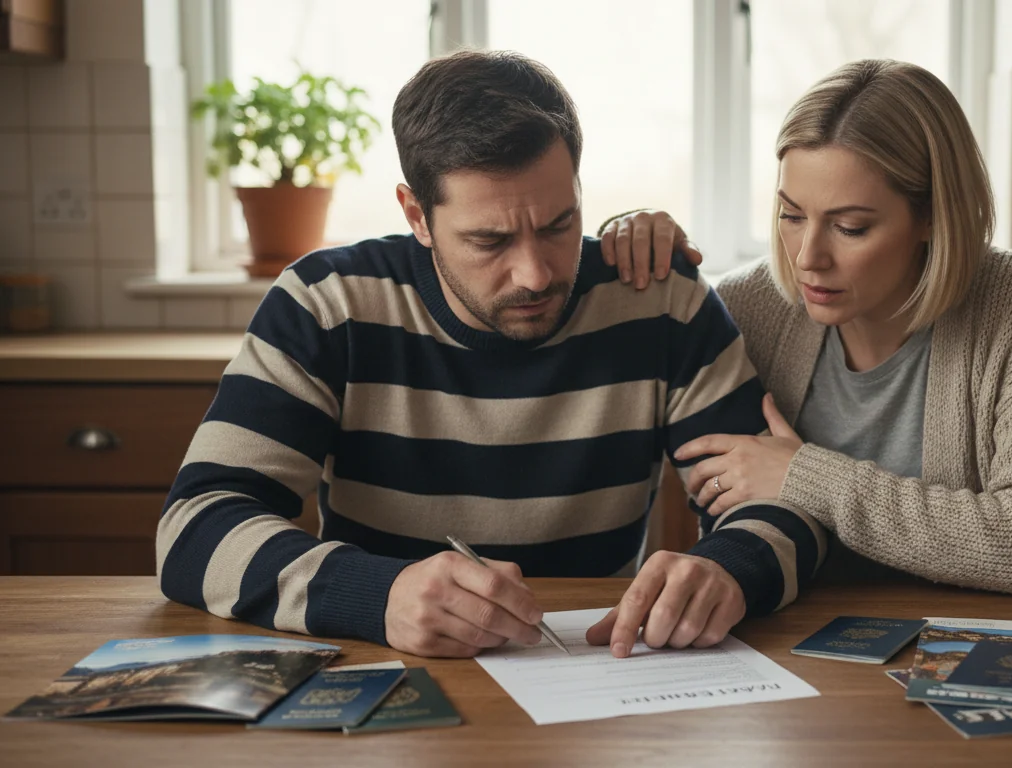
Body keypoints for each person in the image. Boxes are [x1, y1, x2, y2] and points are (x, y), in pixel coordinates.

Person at [157, 50, 826, 659]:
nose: (535, 273)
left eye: (559, 224)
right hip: (388, 669)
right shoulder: (328, 305)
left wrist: (728, 570)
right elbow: (194, 528)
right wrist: (378, 595)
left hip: (601, 672)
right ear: (416, 215)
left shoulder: (659, 302)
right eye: (489, 240)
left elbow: (782, 504)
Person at [600, 59, 1012, 598]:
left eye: (850, 227)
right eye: (792, 215)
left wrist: (806, 477)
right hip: (784, 643)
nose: (808, 257)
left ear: (933, 214)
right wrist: (623, 245)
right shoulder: (749, 306)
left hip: (968, 644)